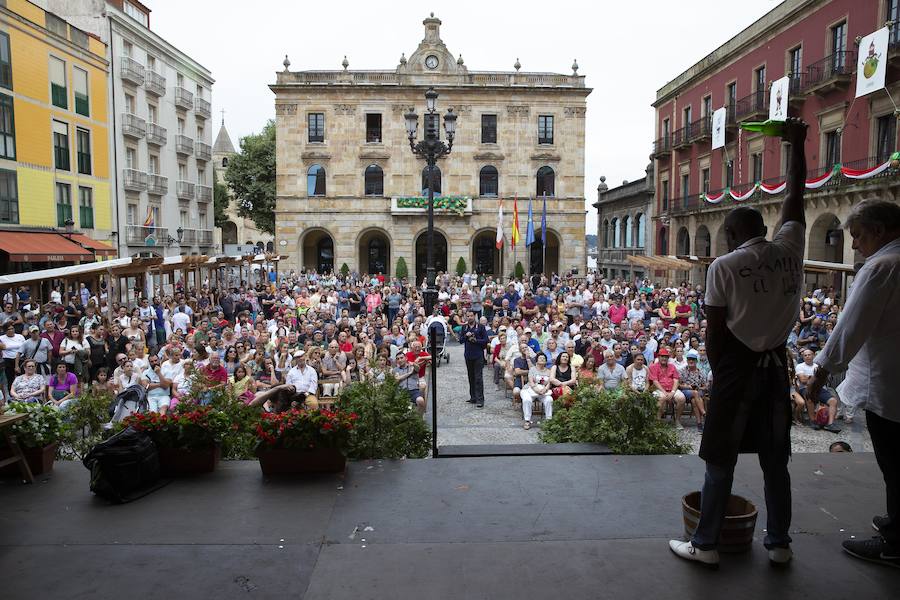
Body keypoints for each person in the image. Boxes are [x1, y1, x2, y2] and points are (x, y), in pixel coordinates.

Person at [670, 117, 808, 568]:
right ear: (762, 228)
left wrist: (721, 373)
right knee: (776, 461)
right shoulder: (789, 250)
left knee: (718, 458)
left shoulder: (724, 267)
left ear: (730, 236)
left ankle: (705, 544)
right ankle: (780, 543)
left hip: (737, 369)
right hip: (775, 367)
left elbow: (713, 332)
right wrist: (799, 145)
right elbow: (795, 199)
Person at [805, 199, 900, 568]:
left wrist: (820, 374)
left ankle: (895, 542)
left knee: (894, 463)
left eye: (858, 236)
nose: (856, 245)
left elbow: (850, 328)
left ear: (879, 231)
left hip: (889, 385)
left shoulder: (881, 267)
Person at [457, 310, 488, 408]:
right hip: (468, 355)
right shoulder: (464, 327)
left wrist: (476, 340)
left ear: (474, 316)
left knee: (478, 378)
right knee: (471, 377)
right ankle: (473, 397)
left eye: (471, 316)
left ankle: (480, 399)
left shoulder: (481, 327)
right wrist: (466, 336)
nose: (470, 317)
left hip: (478, 355)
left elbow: (486, 340)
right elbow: (460, 340)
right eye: (468, 316)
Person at [520, 352, 553, 430]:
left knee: (549, 399)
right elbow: (531, 382)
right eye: (540, 358)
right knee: (527, 400)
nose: (542, 359)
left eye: (544, 358)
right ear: (536, 360)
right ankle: (527, 420)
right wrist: (536, 390)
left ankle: (549, 420)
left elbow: (549, 383)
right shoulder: (532, 369)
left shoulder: (549, 371)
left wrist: (545, 389)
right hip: (529, 389)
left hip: (543, 391)